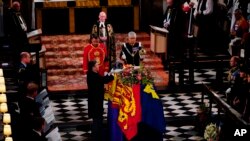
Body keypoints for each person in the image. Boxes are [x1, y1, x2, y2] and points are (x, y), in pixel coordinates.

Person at [87, 60, 114, 141]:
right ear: (93, 67)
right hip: (95, 103)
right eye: (97, 65)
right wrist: (112, 76)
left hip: (96, 101)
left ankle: (97, 137)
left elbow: (102, 79)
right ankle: (96, 138)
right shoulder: (93, 76)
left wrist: (109, 74)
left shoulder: (92, 74)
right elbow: (104, 80)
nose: (99, 66)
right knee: (97, 122)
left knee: (98, 120)